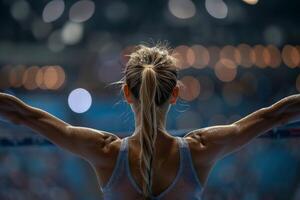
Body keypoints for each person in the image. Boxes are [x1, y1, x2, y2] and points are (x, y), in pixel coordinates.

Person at [0, 44, 299, 200]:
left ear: (126, 93)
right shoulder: (200, 150)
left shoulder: (105, 153)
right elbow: (275, 115)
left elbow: (27, 115)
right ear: (176, 94)